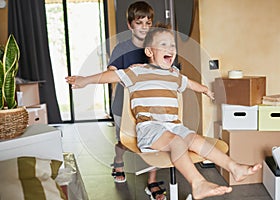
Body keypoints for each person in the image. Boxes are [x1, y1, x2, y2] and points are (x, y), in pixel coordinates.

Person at [66, 23, 262, 200]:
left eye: (172, 46)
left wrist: (204, 89)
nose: (170, 49)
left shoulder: (174, 74)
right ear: (150, 51)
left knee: (195, 139)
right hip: (150, 128)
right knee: (177, 142)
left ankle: (233, 167)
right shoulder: (137, 71)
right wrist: (84, 80)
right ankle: (198, 183)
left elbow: (189, 83)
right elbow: (109, 76)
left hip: (174, 126)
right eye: (164, 45)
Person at [105, 2, 166, 200]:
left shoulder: (156, 47)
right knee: (124, 142)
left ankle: (152, 182)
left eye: (148, 23)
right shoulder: (121, 48)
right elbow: (110, 73)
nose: (144, 27)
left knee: (153, 143)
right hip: (123, 106)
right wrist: (132, 71)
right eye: (139, 23)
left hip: (149, 106)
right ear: (130, 25)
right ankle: (118, 161)